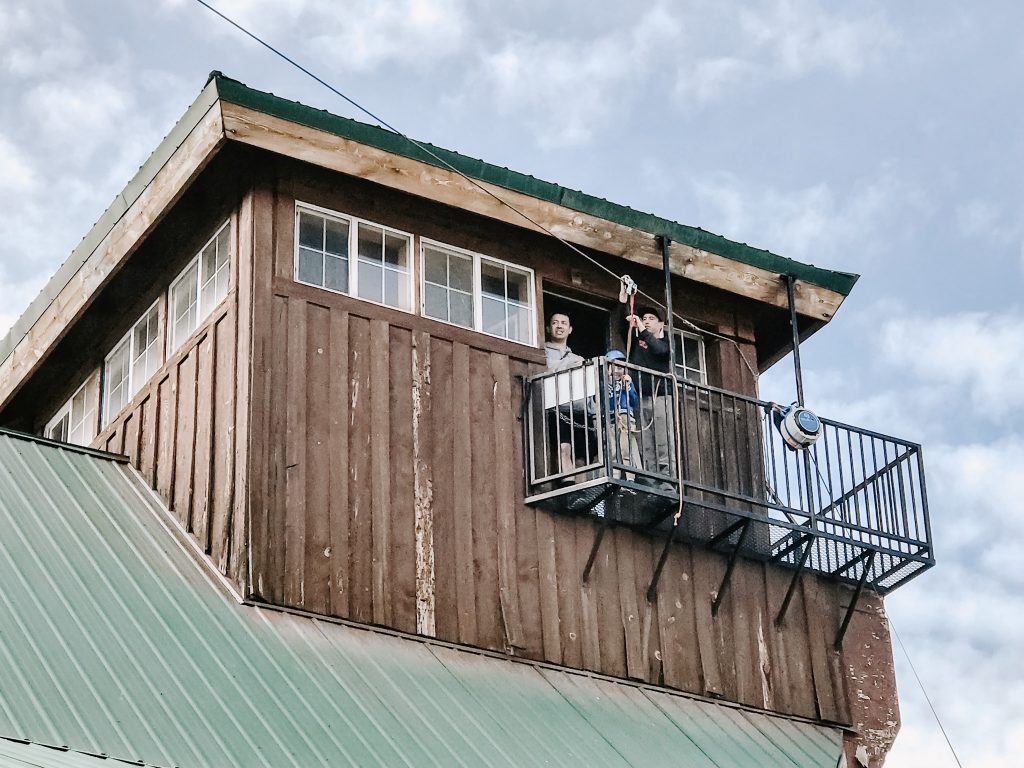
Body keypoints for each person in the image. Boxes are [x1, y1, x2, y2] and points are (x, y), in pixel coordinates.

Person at [615, 279, 674, 483]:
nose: (646, 320)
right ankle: (651, 480)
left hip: (661, 396)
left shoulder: (665, 342)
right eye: (644, 318)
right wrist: (623, 300)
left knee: (663, 441)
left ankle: (666, 481)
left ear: (660, 323)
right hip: (641, 396)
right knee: (646, 442)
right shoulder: (638, 343)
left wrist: (644, 331)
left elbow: (660, 351)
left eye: (651, 318)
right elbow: (623, 327)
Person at [544, 312, 591, 482]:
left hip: (578, 409)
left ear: (570, 329)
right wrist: (569, 365)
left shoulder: (577, 358)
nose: (559, 326)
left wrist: (592, 410)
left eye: (563, 323)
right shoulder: (543, 352)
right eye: (555, 322)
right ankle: (569, 486)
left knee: (582, 455)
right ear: (549, 328)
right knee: (564, 447)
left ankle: (583, 492)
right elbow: (546, 373)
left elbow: (588, 387)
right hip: (558, 407)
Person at [604, 350, 643, 478]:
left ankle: (630, 477)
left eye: (620, 367)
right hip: (610, 419)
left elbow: (634, 401)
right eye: (613, 367)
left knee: (626, 447)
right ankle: (614, 476)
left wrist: (629, 386)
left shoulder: (626, 383)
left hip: (625, 417)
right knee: (613, 449)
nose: (617, 370)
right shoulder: (604, 385)